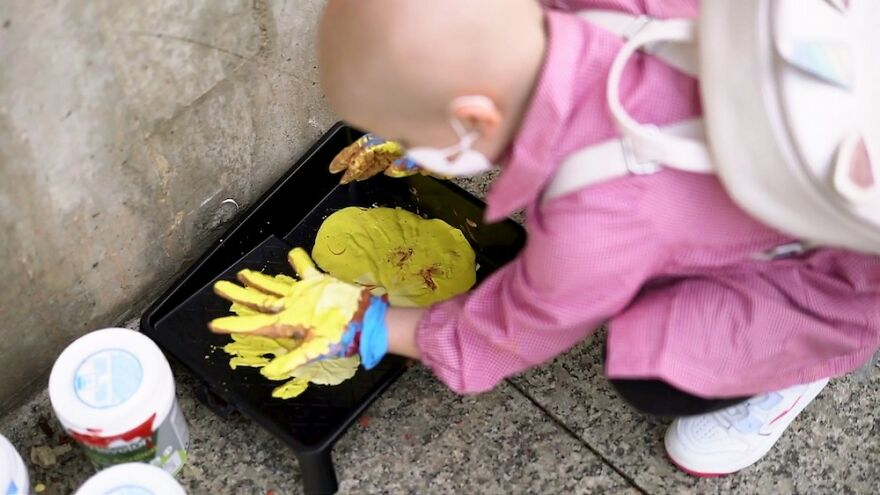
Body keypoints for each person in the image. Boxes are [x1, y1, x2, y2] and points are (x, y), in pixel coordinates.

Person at [212, 0, 880, 477]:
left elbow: (512, 326)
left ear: (474, 117)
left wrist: (372, 325)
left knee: (653, 368)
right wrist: (429, 128)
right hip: (832, 89)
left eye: (409, 135)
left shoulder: (594, 227)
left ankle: (790, 367)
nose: (403, 149)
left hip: (845, 272)